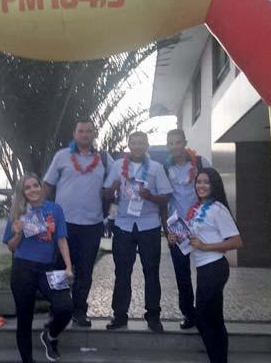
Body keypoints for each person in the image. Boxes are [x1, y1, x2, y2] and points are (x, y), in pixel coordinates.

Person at [42, 120, 114, 327]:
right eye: (81, 131)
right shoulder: (62, 156)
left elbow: (111, 189)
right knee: (59, 268)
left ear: (94, 134)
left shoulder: (104, 160)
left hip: (92, 224)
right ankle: (57, 308)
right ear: (74, 133)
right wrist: (36, 211)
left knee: (84, 270)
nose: (84, 134)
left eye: (88, 131)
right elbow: (47, 185)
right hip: (63, 223)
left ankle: (79, 310)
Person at [168, 167, 243, 363]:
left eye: (206, 182)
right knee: (213, 318)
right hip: (203, 269)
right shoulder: (196, 209)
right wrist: (175, 237)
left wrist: (205, 246)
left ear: (214, 185)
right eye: (198, 182)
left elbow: (236, 241)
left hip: (215, 268)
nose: (201, 186)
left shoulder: (218, 209)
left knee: (205, 318)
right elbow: (193, 241)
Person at [103, 131, 172, 332]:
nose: (138, 146)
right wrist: (113, 187)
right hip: (123, 224)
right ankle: (120, 315)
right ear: (129, 144)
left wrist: (150, 196)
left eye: (142, 142)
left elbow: (166, 197)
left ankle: (153, 316)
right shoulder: (117, 166)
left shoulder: (157, 168)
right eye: (134, 142)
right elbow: (106, 194)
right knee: (122, 272)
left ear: (147, 145)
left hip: (149, 225)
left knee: (151, 272)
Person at [3, 173, 73, 363]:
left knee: (65, 307)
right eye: (28, 187)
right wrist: (18, 233)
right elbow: (11, 246)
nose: (33, 189)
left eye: (36, 185)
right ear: (23, 192)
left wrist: (68, 266)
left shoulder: (55, 210)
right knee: (24, 319)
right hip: (23, 269)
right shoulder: (18, 212)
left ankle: (50, 335)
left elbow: (61, 239)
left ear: (41, 187)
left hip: (48, 268)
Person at [165, 129, 210, 329]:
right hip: (178, 229)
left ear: (185, 142)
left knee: (206, 271)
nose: (175, 146)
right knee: (182, 274)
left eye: (178, 142)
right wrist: (166, 230)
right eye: (171, 143)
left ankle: (205, 313)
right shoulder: (164, 168)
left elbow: (213, 188)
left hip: (201, 224)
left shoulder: (201, 163)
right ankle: (189, 314)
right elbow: (163, 200)